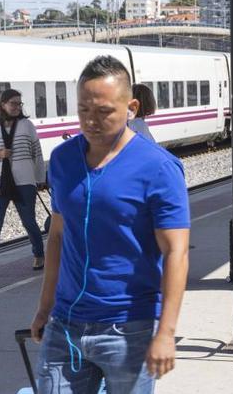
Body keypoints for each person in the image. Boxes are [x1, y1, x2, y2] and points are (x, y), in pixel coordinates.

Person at [31, 55, 190, 393]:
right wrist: (44, 308)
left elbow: (176, 251)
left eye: (103, 111)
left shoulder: (159, 168)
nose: (91, 121)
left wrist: (165, 332)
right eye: (84, 110)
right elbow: (58, 236)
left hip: (129, 328)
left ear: (131, 107)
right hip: (66, 325)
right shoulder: (62, 160)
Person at [0, 89, 47, 277]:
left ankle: (39, 254)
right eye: (13, 103)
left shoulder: (27, 125)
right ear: (3, 104)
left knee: (29, 221)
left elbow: (37, 152)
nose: (17, 107)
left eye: (19, 103)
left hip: (24, 182)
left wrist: (40, 178)